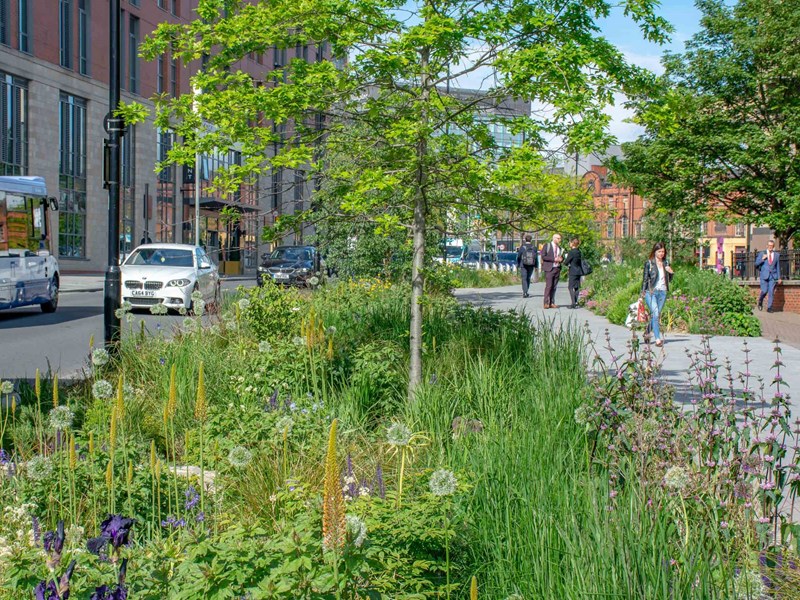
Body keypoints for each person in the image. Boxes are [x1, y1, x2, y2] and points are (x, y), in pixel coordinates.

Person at [640, 242, 673, 347]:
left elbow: (669, 279)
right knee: (655, 313)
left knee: (656, 315)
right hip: (651, 292)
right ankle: (658, 339)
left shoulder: (666, 263)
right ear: (654, 252)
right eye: (659, 251)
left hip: (662, 292)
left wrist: (671, 272)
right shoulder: (649, 263)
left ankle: (647, 332)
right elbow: (645, 279)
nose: (661, 254)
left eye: (663, 251)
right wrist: (642, 294)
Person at [755, 239, 783, 312]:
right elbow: (756, 264)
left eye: (772, 246)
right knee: (764, 291)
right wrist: (762, 259)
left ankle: (769, 307)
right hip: (764, 275)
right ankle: (760, 300)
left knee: (771, 292)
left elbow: (778, 267)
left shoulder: (777, 255)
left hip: (773, 276)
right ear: (767, 246)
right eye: (769, 245)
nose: (770, 247)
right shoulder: (762, 253)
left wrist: (779, 277)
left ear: (773, 246)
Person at [541, 233, 564, 309]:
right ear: (554, 238)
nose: (559, 240)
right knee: (549, 286)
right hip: (549, 268)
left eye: (560, 238)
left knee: (554, 286)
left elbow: (561, 257)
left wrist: (561, 259)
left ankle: (552, 302)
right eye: (558, 238)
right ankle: (546, 303)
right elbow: (543, 256)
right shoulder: (547, 246)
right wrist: (554, 259)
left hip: (557, 268)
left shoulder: (559, 248)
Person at [561, 237, 583, 309]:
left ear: (573, 243)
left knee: (570, 287)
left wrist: (563, 259)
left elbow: (566, 262)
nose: (569, 244)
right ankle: (576, 302)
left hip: (573, 271)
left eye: (570, 242)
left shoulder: (571, 252)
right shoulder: (579, 251)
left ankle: (573, 303)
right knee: (576, 287)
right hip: (578, 271)